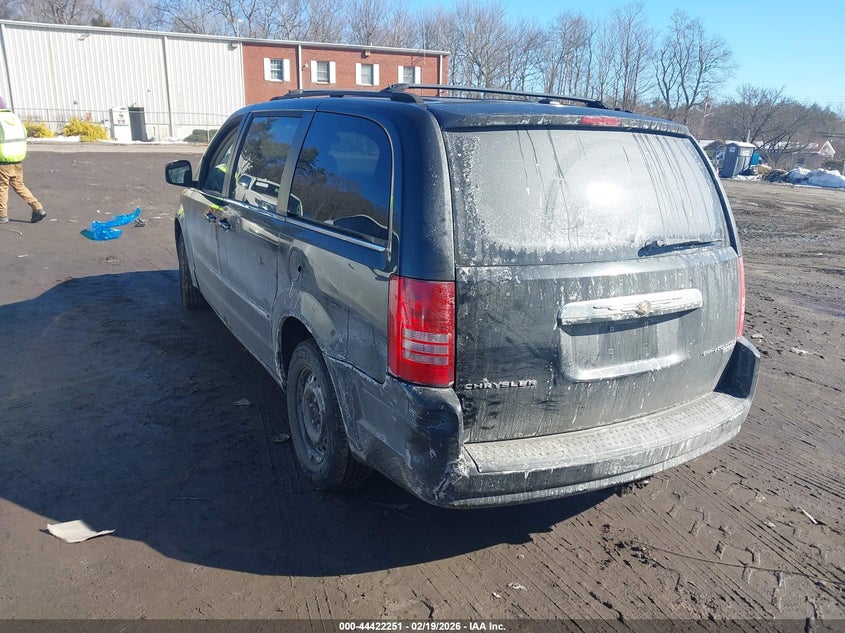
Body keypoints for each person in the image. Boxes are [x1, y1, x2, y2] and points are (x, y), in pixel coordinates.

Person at [0, 97, 46, 224]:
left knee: (2, 188)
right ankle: (37, 207)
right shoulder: (14, 118)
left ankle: (2, 215)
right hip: (17, 158)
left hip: (3, 160)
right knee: (19, 186)